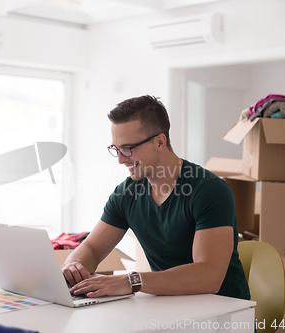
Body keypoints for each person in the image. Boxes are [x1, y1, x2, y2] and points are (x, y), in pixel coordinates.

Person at [61, 95, 250, 300]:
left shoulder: (210, 191)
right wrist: (72, 265)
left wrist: (131, 281)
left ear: (160, 142)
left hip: (225, 312)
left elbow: (208, 276)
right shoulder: (126, 193)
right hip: (169, 306)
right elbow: (92, 248)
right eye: (116, 149)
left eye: (128, 149)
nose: (121, 160)